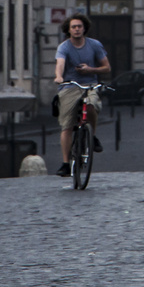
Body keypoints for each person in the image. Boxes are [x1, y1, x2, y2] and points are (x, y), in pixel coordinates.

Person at [53, 14, 110, 176]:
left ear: (84, 28)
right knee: (67, 125)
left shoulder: (94, 45)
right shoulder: (64, 47)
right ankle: (65, 163)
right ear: (68, 30)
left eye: (79, 26)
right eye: (73, 27)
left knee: (91, 105)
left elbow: (107, 67)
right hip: (70, 86)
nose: (76, 29)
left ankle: (92, 135)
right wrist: (59, 77)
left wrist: (90, 70)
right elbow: (60, 63)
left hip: (90, 84)